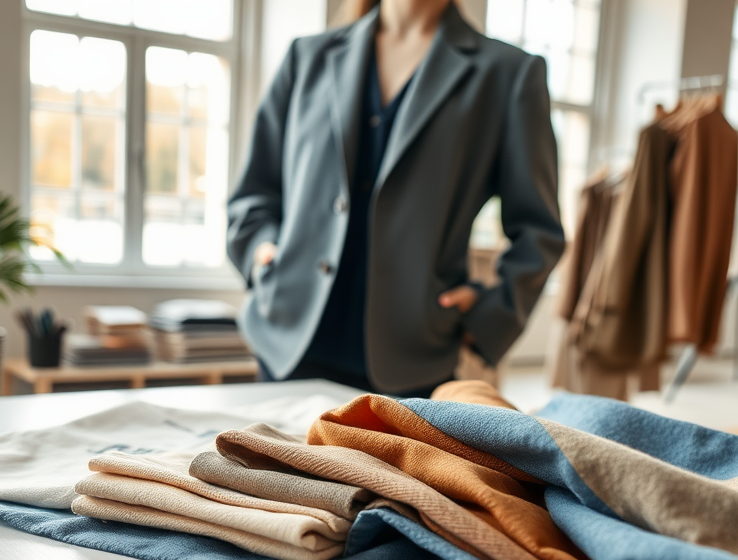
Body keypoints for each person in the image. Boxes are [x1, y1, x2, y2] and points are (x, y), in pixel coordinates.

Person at [227, 0, 564, 396]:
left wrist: (492, 311)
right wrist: (261, 252)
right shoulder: (307, 56)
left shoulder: (508, 74)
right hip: (286, 343)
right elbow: (254, 191)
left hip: (412, 358)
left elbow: (539, 231)